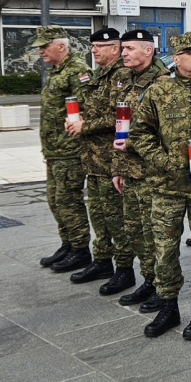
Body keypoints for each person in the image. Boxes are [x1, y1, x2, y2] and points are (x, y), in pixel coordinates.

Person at [130, 33, 191, 339]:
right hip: (167, 187)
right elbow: (139, 134)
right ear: (177, 58)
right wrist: (165, 161)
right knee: (165, 250)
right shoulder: (159, 91)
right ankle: (168, 307)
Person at [111, 30, 172, 309]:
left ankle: (163, 286)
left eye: (130, 48)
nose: (123, 53)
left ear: (148, 51)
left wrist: (132, 145)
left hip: (152, 172)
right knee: (137, 232)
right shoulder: (126, 80)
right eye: (123, 48)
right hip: (131, 169)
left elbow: (168, 134)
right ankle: (148, 280)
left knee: (156, 234)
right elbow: (120, 126)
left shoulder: (163, 84)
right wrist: (118, 166)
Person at [67, 28, 128, 288]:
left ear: (114, 49)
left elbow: (120, 116)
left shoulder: (121, 75)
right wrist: (76, 120)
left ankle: (124, 268)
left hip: (111, 159)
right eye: (92, 46)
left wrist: (85, 125)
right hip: (93, 159)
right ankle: (102, 260)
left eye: (99, 46)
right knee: (98, 214)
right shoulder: (98, 75)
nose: (93, 50)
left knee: (116, 217)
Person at [34, 26, 93, 273]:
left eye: (44, 46)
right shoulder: (57, 71)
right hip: (54, 150)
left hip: (70, 150)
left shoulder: (78, 71)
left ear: (60, 45)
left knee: (68, 199)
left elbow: (88, 108)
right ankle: (67, 243)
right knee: (55, 200)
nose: (40, 51)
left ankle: (80, 249)